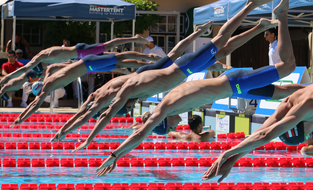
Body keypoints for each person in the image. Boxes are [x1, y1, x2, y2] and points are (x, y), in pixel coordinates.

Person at [87, 0, 299, 174]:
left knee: (287, 66)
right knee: (282, 93)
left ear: (163, 121)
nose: (177, 124)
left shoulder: (165, 107)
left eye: (171, 125)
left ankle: (280, 17)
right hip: (235, 89)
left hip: (235, 83)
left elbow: (140, 133)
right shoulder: (166, 102)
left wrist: (114, 155)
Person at [201, 66, 313, 184]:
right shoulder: (293, 101)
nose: (311, 133)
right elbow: (262, 131)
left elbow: (265, 135)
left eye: (305, 135)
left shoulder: (309, 106)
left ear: (297, 124)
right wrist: (235, 159)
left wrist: (227, 154)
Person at [51, 20, 216, 141]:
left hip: (145, 76)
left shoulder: (109, 97)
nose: (131, 106)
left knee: (174, 56)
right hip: (141, 76)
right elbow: (81, 114)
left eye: (129, 107)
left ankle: (199, 35)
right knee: (173, 55)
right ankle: (198, 33)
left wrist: (73, 135)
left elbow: (86, 117)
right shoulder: (99, 97)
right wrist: (63, 130)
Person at [12, 51, 161, 126]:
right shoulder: (52, 77)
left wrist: (21, 118)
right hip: (91, 66)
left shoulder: (52, 77)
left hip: (90, 64)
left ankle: (152, 59)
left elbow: (36, 103)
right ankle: (152, 61)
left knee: (123, 59)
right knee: (122, 60)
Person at [0, 35, 150, 88]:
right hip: (79, 59)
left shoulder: (41, 58)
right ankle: (128, 69)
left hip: (81, 51)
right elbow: (42, 74)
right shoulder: (48, 61)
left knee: (110, 47)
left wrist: (7, 77)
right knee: (111, 60)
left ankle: (134, 39)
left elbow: (24, 70)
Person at [0, 61, 66, 111]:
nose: (11, 95)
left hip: (32, 75)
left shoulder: (7, 86)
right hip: (36, 78)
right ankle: (32, 107)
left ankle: (68, 63)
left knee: (49, 72)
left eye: (9, 95)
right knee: (37, 88)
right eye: (10, 96)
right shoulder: (13, 88)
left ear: (7, 93)